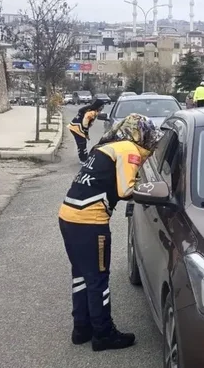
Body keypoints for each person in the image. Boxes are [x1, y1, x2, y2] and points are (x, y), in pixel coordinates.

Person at [58, 113, 162, 352]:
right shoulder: (129, 149)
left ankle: (81, 329)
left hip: (68, 216)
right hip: (90, 223)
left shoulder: (106, 147)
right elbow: (126, 190)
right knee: (99, 279)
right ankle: (104, 334)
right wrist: (151, 187)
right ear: (140, 133)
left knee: (81, 276)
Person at [67, 99, 107, 163]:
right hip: (77, 128)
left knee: (82, 142)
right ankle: (83, 159)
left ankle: (84, 157)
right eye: (102, 106)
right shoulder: (91, 112)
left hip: (75, 127)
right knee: (81, 143)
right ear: (98, 106)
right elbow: (85, 121)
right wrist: (85, 131)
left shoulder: (90, 110)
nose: (102, 108)